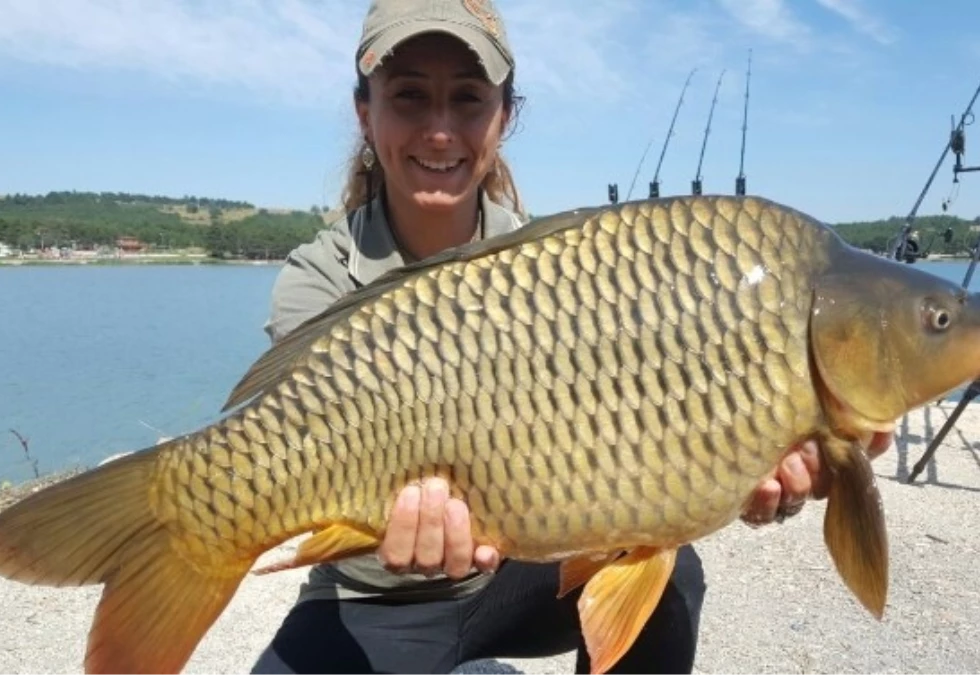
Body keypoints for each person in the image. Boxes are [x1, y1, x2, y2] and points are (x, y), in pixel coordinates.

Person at [251, 1, 892, 673]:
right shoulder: (318, 280)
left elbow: (635, 429)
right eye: (410, 96)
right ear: (365, 112)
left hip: (516, 573)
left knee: (673, 576)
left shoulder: (562, 270)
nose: (439, 131)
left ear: (505, 116)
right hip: (369, 597)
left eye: (467, 99)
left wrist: (743, 473)